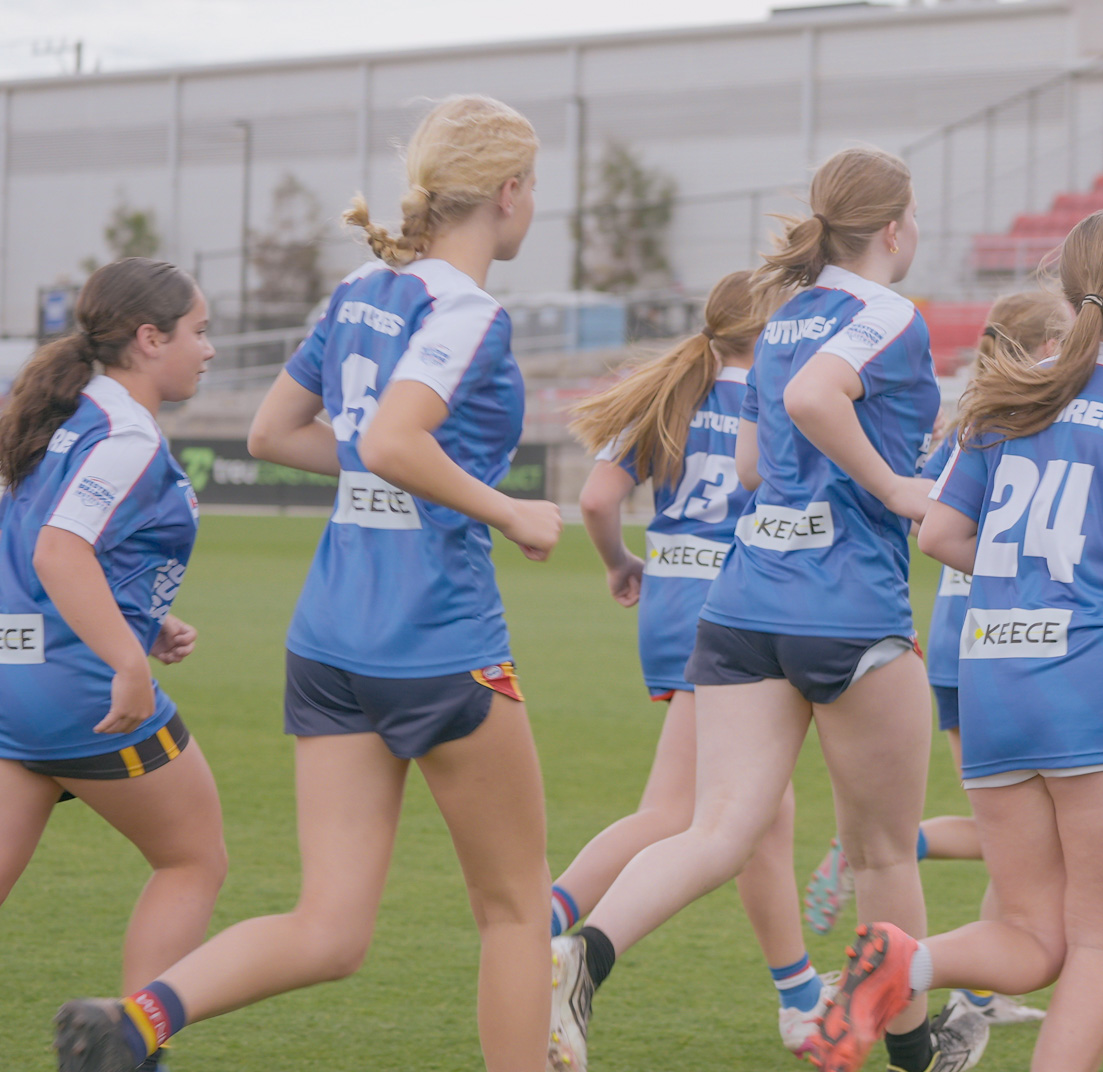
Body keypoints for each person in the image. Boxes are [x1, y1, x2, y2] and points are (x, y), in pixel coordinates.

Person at [55, 95, 563, 1072]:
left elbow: (272, 435)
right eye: (532, 184)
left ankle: (138, 1020)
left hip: (329, 640)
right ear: (506, 193)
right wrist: (506, 509)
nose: (533, 201)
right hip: (437, 640)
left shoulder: (361, 290)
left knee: (330, 927)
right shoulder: (465, 312)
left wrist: (392, 468)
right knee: (513, 910)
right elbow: (390, 438)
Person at [548, 146, 985, 1072]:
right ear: (898, 227)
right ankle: (916, 1055)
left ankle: (581, 955)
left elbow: (755, 464)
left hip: (745, 603)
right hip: (846, 608)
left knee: (716, 829)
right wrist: (898, 485)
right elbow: (812, 399)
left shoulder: (784, 313)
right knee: (880, 857)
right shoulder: (886, 314)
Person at [804, 207, 1103, 1072]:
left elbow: (938, 534)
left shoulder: (1008, 392)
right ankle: (911, 962)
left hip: (995, 681)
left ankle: (913, 960)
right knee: (1098, 946)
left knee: (1032, 937)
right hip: (1099, 690)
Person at [555, 269, 835, 1053]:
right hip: (739, 609)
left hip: (670, 599)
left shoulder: (678, 392)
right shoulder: (778, 396)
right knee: (680, 812)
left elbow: (597, 501)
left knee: (759, 812)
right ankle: (542, 931)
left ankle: (799, 994)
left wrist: (619, 565)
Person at [803, 290, 1070, 1031]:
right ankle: (895, 859)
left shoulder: (970, 417)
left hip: (956, 630)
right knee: (1027, 837)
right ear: (1045, 345)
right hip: (1006, 635)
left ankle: (979, 991)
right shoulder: (1027, 418)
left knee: (1019, 835)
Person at [2, 260, 224, 1072]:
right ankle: (132, 1049)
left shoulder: (60, 415)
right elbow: (61, 551)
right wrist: (125, 658)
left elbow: (38, 544)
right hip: (79, 693)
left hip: (14, 678)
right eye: (198, 331)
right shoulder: (125, 433)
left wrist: (142, 618)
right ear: (149, 338)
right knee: (193, 859)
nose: (208, 349)